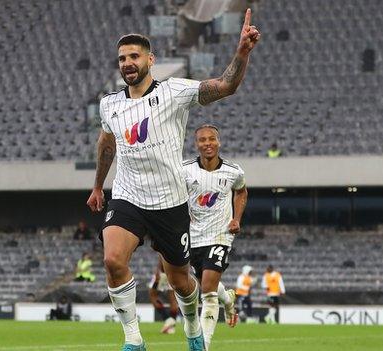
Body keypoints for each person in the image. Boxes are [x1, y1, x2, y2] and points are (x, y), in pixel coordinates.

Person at [86, 9, 259, 351]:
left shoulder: (174, 92)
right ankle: (134, 340)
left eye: (134, 56)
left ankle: (193, 327)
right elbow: (107, 143)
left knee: (181, 282)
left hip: (170, 201)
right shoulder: (109, 104)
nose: (127, 63)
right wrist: (97, 185)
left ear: (150, 59)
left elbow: (226, 86)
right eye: (122, 58)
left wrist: (241, 52)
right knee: (111, 260)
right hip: (128, 195)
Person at [183, 125, 247, 350]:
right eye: (202, 140)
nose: (207, 143)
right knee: (206, 284)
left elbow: (241, 191)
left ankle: (203, 345)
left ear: (218, 142)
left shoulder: (233, 171)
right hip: (193, 237)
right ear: (196, 144)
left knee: (208, 292)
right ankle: (228, 298)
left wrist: (236, 218)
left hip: (220, 235)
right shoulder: (185, 170)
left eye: (211, 139)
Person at [148, 258, 178, 334]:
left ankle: (168, 320)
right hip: (175, 273)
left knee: (152, 296)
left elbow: (162, 256)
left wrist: (157, 271)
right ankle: (171, 328)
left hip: (163, 273)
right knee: (173, 299)